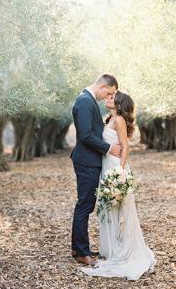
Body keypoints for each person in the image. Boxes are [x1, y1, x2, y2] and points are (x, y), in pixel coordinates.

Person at [80, 91, 156, 280]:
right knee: (107, 209)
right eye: (108, 96)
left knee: (120, 210)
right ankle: (111, 249)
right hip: (107, 166)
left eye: (112, 97)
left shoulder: (120, 120)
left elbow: (125, 145)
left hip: (115, 168)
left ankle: (122, 251)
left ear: (119, 103)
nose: (108, 98)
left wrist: (120, 171)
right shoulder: (110, 119)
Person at [70, 74, 122, 266]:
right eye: (108, 92)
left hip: (89, 161)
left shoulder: (88, 100)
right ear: (101, 86)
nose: (107, 97)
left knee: (85, 205)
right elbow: (85, 135)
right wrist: (109, 148)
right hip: (86, 162)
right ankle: (81, 252)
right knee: (85, 205)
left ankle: (78, 248)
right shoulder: (85, 101)